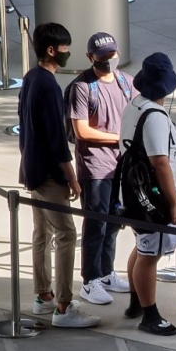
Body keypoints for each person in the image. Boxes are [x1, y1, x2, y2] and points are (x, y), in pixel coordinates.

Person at [18, 23, 101, 329]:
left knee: (42, 233)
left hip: (31, 170)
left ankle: (44, 295)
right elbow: (57, 141)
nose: (68, 52)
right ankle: (64, 306)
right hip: (49, 174)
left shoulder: (30, 78)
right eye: (65, 47)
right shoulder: (50, 87)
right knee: (66, 234)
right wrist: (73, 178)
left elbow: (27, 128)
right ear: (52, 50)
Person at [118, 52, 176, 336]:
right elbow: (160, 162)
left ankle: (136, 302)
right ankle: (149, 313)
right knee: (150, 253)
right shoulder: (155, 116)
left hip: (135, 193)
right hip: (153, 198)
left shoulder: (135, 105)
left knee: (143, 246)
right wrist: (175, 203)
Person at [67, 33, 134, 307]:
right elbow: (81, 130)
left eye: (111, 54)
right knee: (96, 223)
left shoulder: (127, 83)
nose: (109, 60)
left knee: (114, 220)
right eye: (103, 56)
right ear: (90, 58)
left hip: (122, 165)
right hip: (95, 166)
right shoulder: (82, 87)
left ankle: (107, 273)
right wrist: (119, 138)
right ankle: (90, 279)